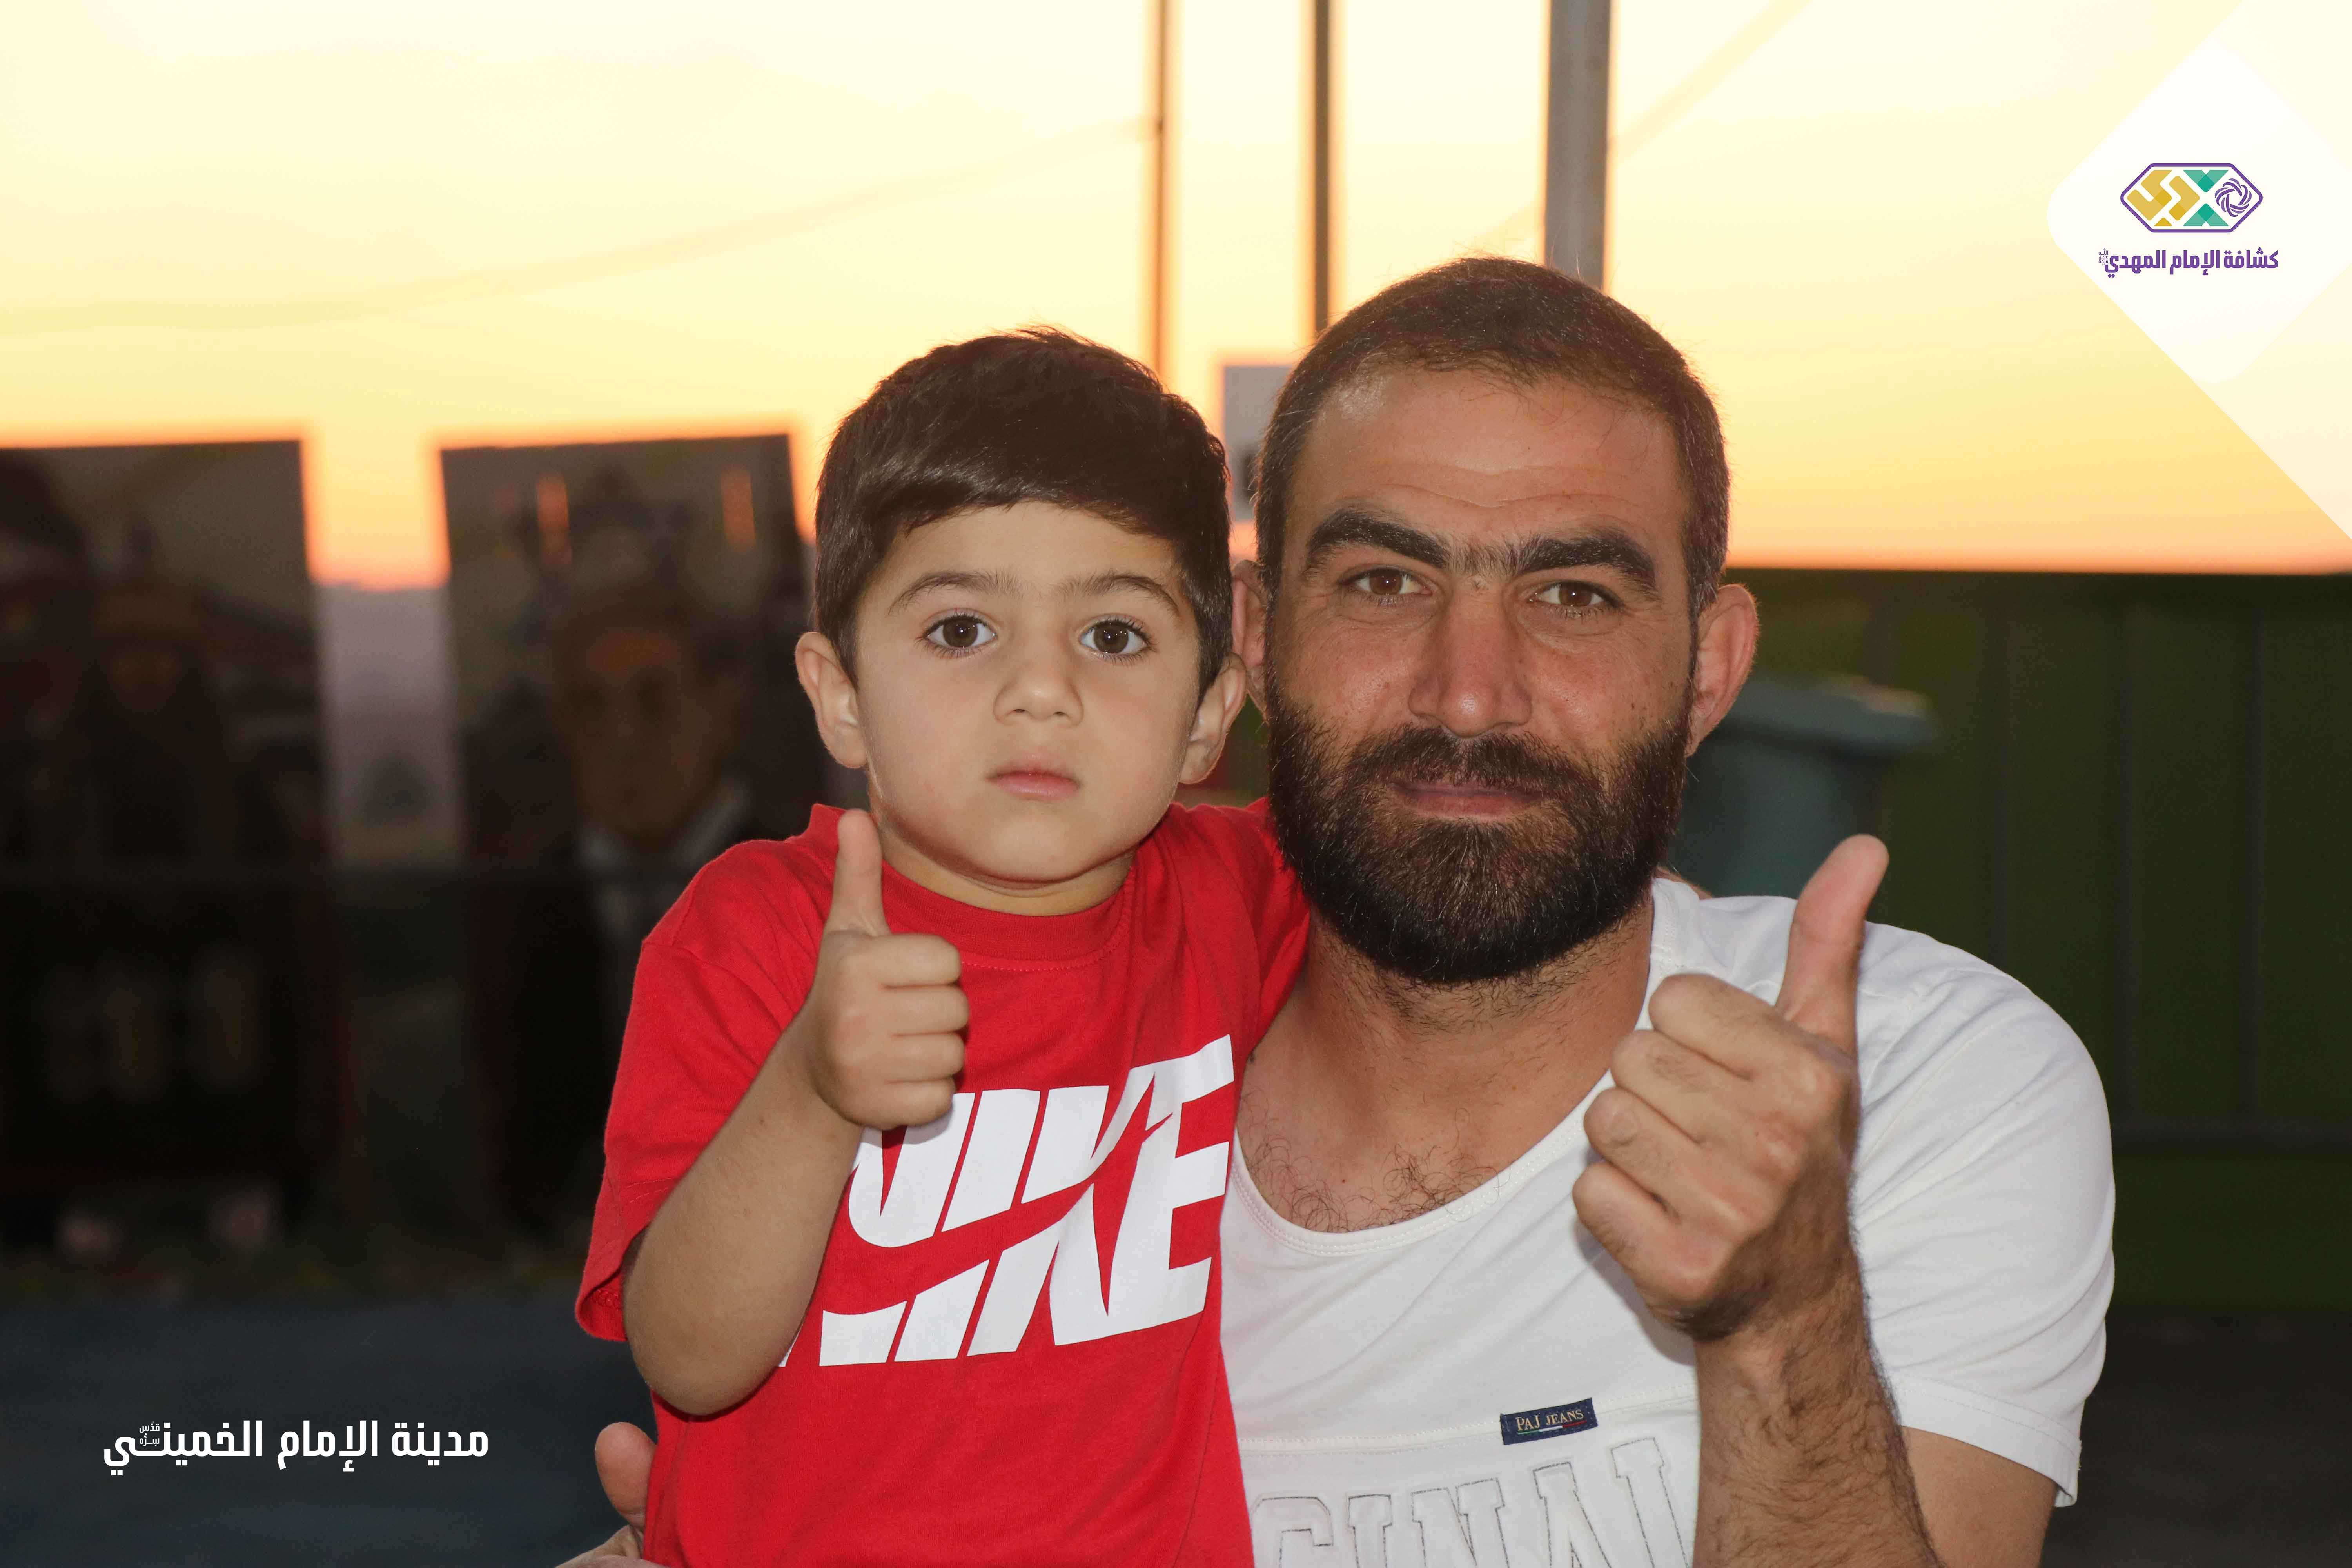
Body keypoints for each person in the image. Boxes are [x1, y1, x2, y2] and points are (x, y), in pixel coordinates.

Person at [567, 259, 2110, 1568]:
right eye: (1384, 582)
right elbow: (714, 1359)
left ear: (1708, 666)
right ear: (1259, 640)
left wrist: (1781, 1316)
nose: (1469, 693)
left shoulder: (1914, 1082)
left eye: (1573, 596)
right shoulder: (1075, 996)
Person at [576, 328, 1301, 1564]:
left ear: (1209, 716)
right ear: (841, 694)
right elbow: (689, 1358)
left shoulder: (1242, 896)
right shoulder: (752, 934)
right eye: (962, 631)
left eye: (1114, 636)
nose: (1041, 688)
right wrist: (814, 1090)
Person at [473, 580, 771, 1234]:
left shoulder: (802, 896)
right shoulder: (519, 908)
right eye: (592, 707)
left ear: (721, 711)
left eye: (654, 701)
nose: (624, 737)